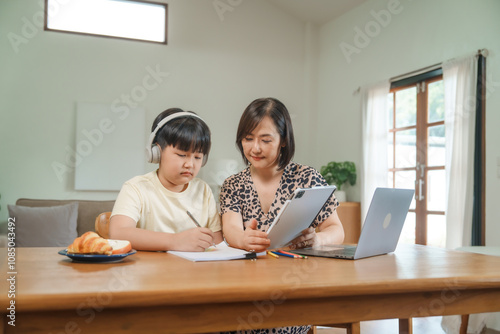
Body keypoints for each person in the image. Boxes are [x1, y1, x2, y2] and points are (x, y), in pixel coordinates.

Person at [220, 97, 344, 253]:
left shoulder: (307, 177)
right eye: (248, 139)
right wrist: (243, 240)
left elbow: (335, 229)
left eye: (265, 140)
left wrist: (319, 239)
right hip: (251, 272)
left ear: (284, 140)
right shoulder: (233, 185)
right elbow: (231, 228)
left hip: (298, 272)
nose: (255, 148)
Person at [109, 108, 223, 251]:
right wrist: (175, 241)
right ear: (156, 152)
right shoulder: (136, 187)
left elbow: (217, 243)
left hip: (194, 272)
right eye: (182, 155)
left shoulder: (203, 190)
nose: (190, 164)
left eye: (198, 157)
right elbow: (118, 233)